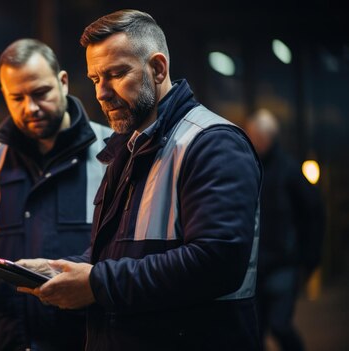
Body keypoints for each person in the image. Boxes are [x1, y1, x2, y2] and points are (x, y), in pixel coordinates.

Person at [18, 10, 263, 350]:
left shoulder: (213, 143)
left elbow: (216, 262)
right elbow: (121, 253)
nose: (101, 93)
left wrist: (97, 284)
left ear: (158, 68)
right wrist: (60, 269)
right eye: (94, 79)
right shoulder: (130, 148)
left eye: (116, 74)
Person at [0, 38, 112, 351]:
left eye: (40, 93)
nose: (31, 108)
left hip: (87, 340)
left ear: (63, 82)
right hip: (10, 340)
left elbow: (127, 254)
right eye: (17, 98)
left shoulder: (113, 155)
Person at [245, 108, 325, 351]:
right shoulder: (249, 167)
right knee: (254, 331)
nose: (248, 139)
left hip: (283, 264)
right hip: (258, 266)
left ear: (266, 137)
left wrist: (309, 259)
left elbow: (314, 213)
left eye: (252, 135)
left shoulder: (289, 170)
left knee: (280, 325)